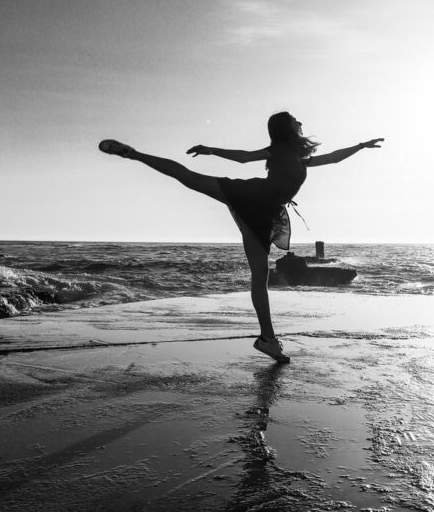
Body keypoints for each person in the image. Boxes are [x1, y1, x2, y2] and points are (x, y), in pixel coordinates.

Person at [98, 112, 383, 363]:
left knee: (260, 276)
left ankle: (268, 340)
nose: (300, 122)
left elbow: (333, 159)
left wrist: (360, 146)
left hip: (264, 214)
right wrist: (211, 150)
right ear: (286, 128)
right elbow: (245, 157)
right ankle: (133, 153)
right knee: (189, 178)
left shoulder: (299, 159)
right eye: (295, 120)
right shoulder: (280, 150)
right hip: (252, 198)